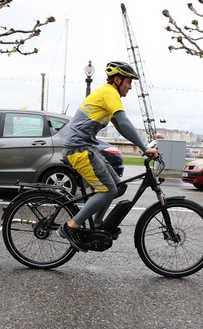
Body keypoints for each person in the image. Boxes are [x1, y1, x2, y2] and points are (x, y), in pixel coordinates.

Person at [57, 61, 158, 252]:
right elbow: (123, 121)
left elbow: (119, 126)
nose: (130, 86)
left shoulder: (108, 94)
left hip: (86, 148)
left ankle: (96, 225)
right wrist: (144, 148)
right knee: (108, 190)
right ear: (117, 80)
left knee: (117, 187)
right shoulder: (109, 92)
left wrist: (142, 146)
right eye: (128, 82)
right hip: (78, 150)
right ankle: (70, 227)